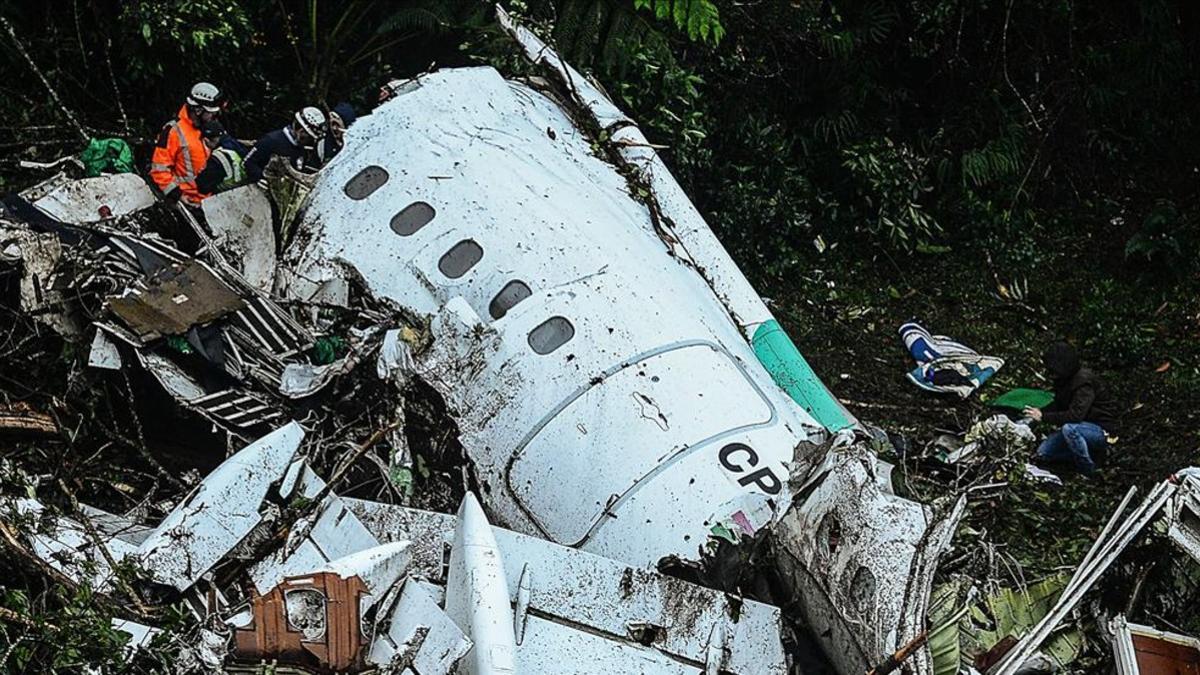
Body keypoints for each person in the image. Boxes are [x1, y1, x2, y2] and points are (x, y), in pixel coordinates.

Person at [1025, 341, 1118, 474]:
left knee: (1069, 429)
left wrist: (1043, 417)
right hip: (1081, 428)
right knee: (1042, 453)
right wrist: (1038, 412)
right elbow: (1059, 404)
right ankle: (1084, 454)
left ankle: (1088, 468)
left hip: (1100, 430)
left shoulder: (1083, 383)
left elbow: (1075, 416)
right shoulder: (1064, 380)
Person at [150, 82, 222, 206]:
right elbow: (159, 170)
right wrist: (178, 196)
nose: (213, 116)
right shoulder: (173, 131)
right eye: (210, 112)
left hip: (209, 198)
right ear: (198, 110)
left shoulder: (207, 128)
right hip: (187, 200)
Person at [243, 106, 327, 182]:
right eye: (309, 137)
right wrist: (261, 178)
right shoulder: (271, 140)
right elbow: (248, 162)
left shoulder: (302, 151)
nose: (309, 141)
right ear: (301, 131)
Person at [195, 121, 246, 196]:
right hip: (245, 191)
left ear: (206, 140)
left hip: (225, 196)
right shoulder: (237, 147)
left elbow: (203, 187)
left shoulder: (218, 158)